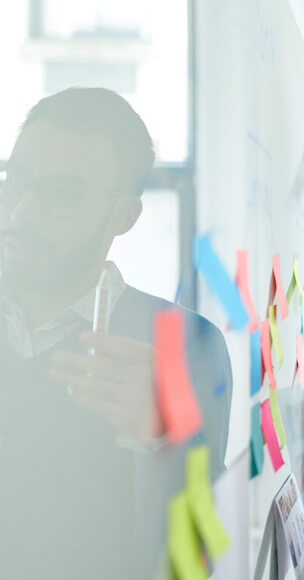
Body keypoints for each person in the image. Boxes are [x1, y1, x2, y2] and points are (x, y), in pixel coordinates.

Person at [0, 87, 231, 578]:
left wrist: (161, 439)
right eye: (14, 181)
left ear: (122, 217)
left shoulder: (186, 345)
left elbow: (193, 563)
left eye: (61, 195)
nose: (20, 212)